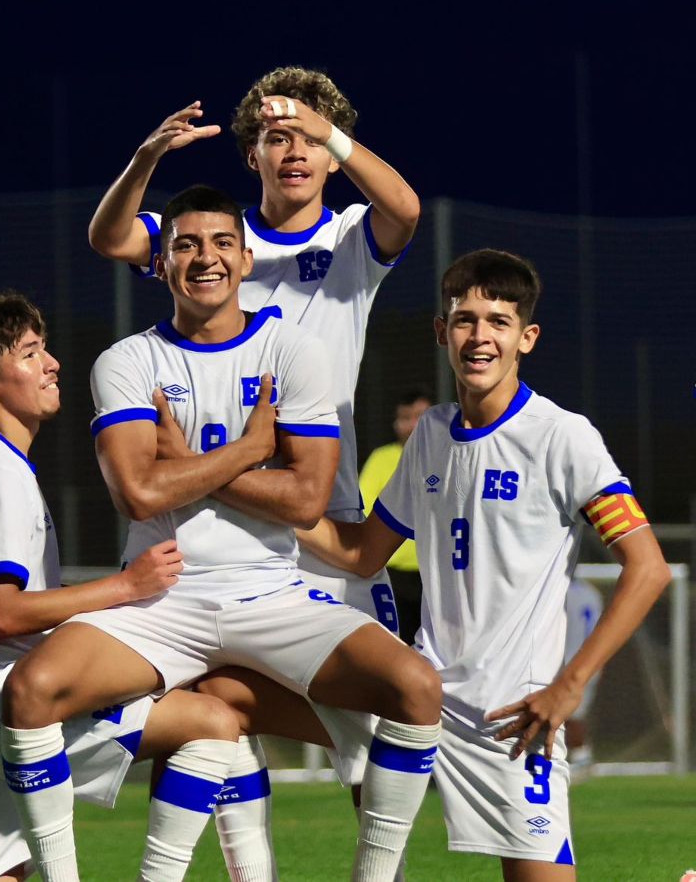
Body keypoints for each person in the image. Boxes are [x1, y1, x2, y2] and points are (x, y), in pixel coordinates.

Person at [2, 186, 442, 882]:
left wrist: (180, 460)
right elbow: (136, 491)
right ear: (163, 263)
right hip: (161, 600)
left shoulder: (290, 350)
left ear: (243, 259)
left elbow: (303, 500)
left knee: (416, 688)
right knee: (31, 691)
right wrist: (243, 452)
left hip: (271, 594)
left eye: (220, 244)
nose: (204, 258)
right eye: (185, 245)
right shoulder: (127, 360)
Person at [89, 68, 421, 868]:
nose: (296, 152)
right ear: (253, 155)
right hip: (207, 523)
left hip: (316, 513)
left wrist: (324, 125)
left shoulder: (347, 238)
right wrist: (144, 160)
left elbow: (405, 208)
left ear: (334, 155)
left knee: (370, 735)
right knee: (209, 707)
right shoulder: (214, 242)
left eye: (311, 140)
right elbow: (110, 238)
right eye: (279, 137)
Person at [298, 249, 671, 880]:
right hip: (421, 704)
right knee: (233, 711)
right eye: (465, 319)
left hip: (513, 719)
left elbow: (649, 568)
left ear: (526, 337)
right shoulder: (432, 433)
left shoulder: (562, 436)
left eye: (498, 322)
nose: (480, 336)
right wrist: (255, 497)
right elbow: (362, 553)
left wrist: (568, 688)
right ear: (442, 331)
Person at [0, 290, 245, 882]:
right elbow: (4, 614)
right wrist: (127, 586)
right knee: (213, 721)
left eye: (43, 348)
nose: (52, 364)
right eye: (29, 352)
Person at [359, 390, 433, 644]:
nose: (413, 425)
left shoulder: (446, 455)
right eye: (406, 417)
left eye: (420, 417)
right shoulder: (381, 458)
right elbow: (364, 511)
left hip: (436, 573)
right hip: (394, 576)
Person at [562, 578, 604, 780]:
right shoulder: (591, 591)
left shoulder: (560, 590)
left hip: (570, 660)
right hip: (591, 659)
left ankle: (581, 758)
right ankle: (578, 756)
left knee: (571, 715)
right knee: (574, 713)